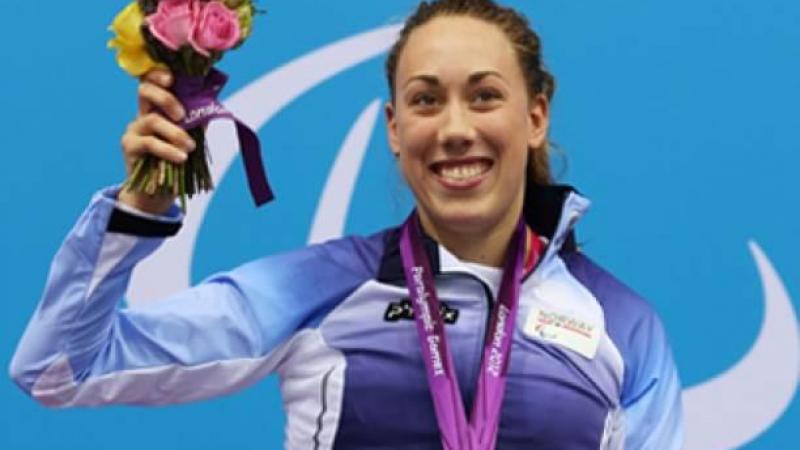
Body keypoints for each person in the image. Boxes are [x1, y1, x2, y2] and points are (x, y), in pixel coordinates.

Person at [9, 0, 683, 448]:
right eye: (425, 100)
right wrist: (139, 210)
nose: (454, 129)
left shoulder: (623, 329)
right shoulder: (316, 291)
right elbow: (60, 369)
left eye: (484, 96)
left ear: (535, 118)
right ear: (394, 128)